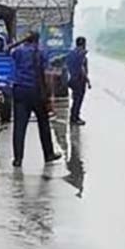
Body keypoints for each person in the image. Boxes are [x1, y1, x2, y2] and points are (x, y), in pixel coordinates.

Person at [10, 32, 62, 168]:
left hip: (20, 90)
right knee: (43, 123)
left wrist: (20, 41)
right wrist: (50, 96)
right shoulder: (42, 52)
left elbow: (9, 50)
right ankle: (48, 154)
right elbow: (47, 75)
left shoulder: (18, 51)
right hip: (37, 92)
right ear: (38, 40)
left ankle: (18, 158)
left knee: (19, 126)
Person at [66, 37, 90, 126]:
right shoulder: (82, 54)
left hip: (71, 79)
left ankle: (74, 116)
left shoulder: (71, 53)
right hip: (79, 80)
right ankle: (74, 117)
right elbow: (82, 68)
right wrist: (87, 80)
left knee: (75, 99)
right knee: (78, 100)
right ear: (84, 44)